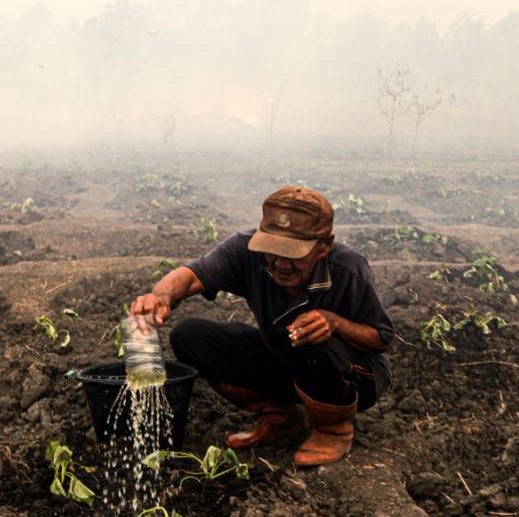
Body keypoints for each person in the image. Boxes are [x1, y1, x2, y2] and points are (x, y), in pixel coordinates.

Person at [130, 186, 394, 466]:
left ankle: (333, 428)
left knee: (317, 336)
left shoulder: (347, 269)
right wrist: (161, 296)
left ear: (324, 246)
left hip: (352, 376)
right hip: (287, 359)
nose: (279, 263)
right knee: (189, 336)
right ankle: (281, 415)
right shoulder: (246, 251)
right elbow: (191, 275)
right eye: (272, 250)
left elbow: (382, 338)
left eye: (293, 253)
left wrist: (335, 323)